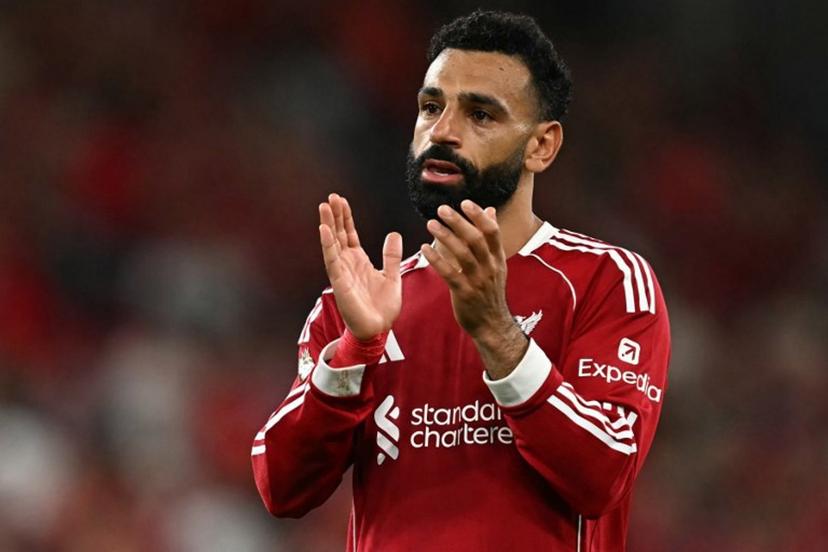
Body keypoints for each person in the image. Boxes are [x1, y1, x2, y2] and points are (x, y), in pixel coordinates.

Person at [252, 10, 670, 552]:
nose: (443, 131)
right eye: (431, 107)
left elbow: (604, 476)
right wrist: (355, 350)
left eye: (480, 115)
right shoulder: (358, 306)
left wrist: (498, 333)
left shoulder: (605, 281)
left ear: (541, 146)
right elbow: (282, 489)